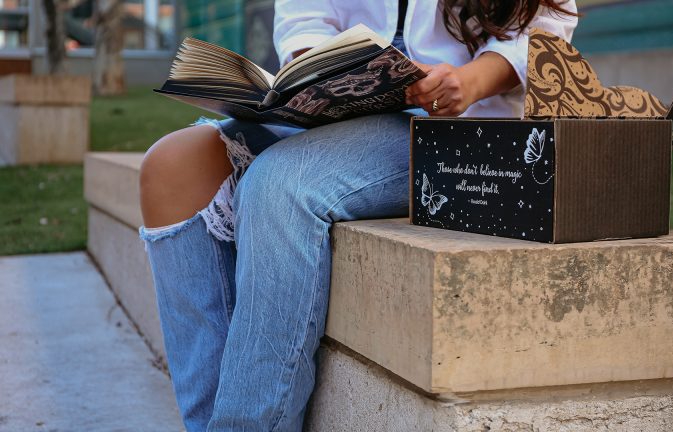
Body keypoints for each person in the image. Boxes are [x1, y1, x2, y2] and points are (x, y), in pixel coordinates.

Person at [138, 0, 578, 430]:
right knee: (171, 167)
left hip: (451, 131)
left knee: (282, 183)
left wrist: (469, 81)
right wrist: (315, 73)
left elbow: (546, 24)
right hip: (337, 120)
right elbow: (304, 19)